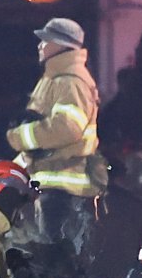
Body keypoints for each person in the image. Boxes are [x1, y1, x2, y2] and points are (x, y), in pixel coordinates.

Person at [6, 18, 107, 253]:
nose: (40, 45)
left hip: (64, 192)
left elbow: (66, 128)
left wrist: (19, 136)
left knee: (56, 262)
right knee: (46, 259)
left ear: (63, 45)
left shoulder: (70, 81)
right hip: (50, 186)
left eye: (46, 40)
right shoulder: (54, 78)